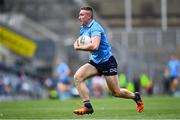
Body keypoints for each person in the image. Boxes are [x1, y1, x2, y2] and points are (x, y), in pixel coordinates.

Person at [73, 6, 144, 115]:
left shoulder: (96, 28)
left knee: (116, 92)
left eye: (82, 15)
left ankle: (135, 96)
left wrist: (79, 47)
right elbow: (87, 44)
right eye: (79, 14)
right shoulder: (83, 28)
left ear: (89, 16)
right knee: (78, 77)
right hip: (95, 62)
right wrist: (80, 45)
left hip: (107, 62)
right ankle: (87, 106)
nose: (79, 17)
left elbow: (95, 46)